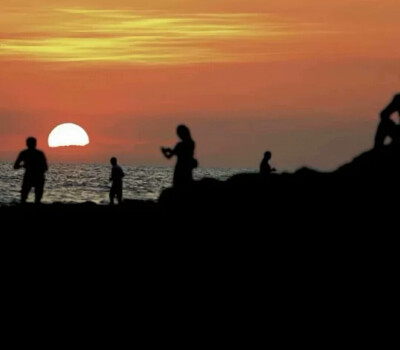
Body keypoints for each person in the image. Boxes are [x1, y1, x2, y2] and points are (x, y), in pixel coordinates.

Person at [14, 137, 48, 204]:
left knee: (24, 198)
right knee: (35, 199)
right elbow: (45, 168)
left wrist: (23, 165)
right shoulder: (39, 153)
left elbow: (16, 166)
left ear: (27, 144)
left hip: (31, 176)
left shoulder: (24, 153)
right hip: (37, 176)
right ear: (35, 144)